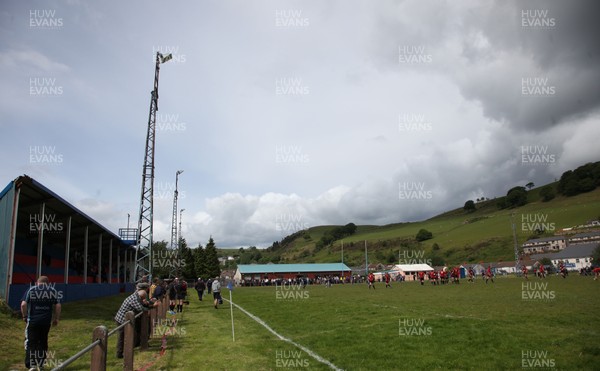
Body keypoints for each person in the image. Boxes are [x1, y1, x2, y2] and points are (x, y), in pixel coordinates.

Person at [21, 276, 61, 370]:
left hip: (33, 321)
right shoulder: (53, 291)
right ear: (48, 283)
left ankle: (31, 365)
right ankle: (41, 363)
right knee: (43, 341)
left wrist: (24, 316)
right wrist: (56, 319)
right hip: (46, 322)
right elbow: (58, 305)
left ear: (37, 282)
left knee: (31, 342)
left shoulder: (31, 290)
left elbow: (23, 304)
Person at [114, 288, 158, 359]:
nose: (143, 299)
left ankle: (135, 345)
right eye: (143, 298)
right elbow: (141, 308)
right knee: (122, 337)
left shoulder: (136, 296)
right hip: (121, 320)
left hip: (126, 319)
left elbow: (142, 305)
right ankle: (119, 353)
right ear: (140, 296)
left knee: (134, 334)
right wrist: (153, 306)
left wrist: (146, 303)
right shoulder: (134, 299)